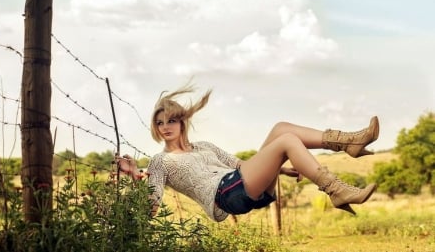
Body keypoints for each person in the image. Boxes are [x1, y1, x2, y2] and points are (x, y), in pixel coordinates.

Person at [116, 84, 379, 222]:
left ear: (182, 122)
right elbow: (152, 204)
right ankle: (336, 190)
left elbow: (239, 163)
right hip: (226, 195)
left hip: (240, 184)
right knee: (286, 140)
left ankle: (348, 142)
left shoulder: (205, 146)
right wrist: (133, 176)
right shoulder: (160, 161)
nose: (165, 128)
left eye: (171, 121)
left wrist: (281, 168)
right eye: (160, 123)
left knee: (281, 128)